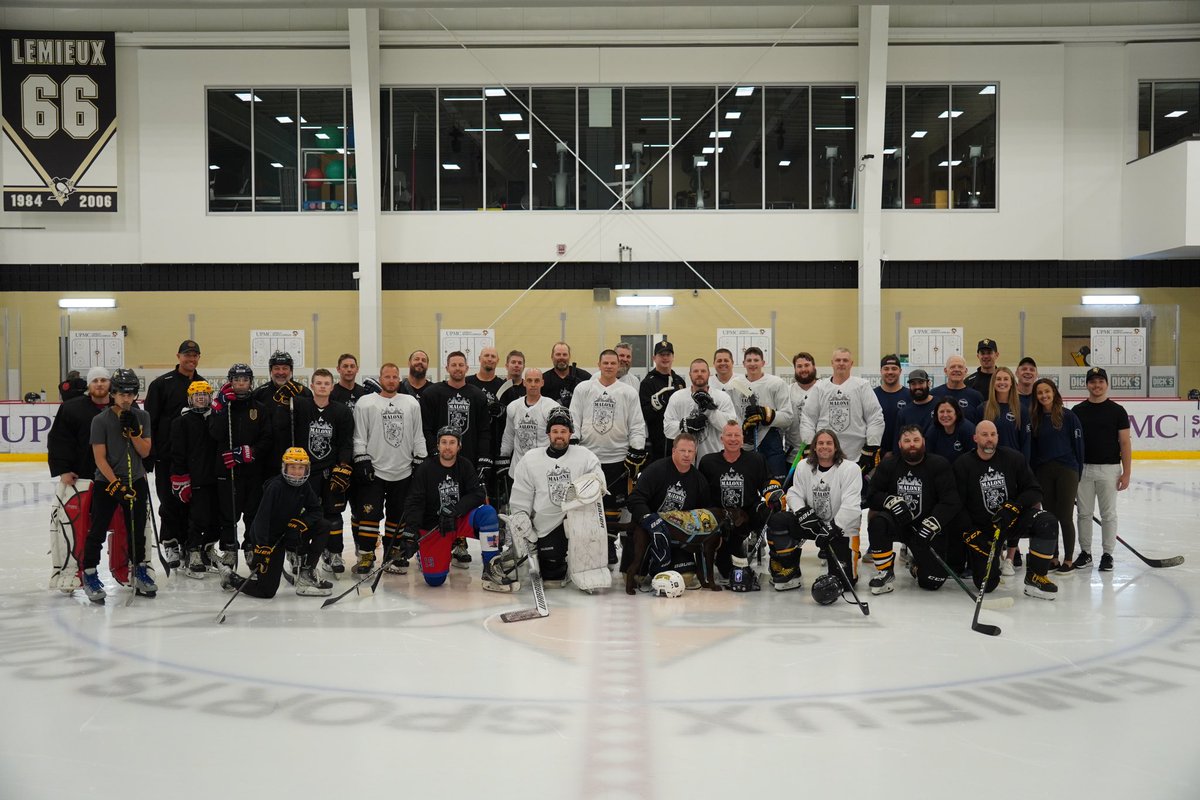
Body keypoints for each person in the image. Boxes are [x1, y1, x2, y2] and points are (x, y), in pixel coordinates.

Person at [487, 407, 608, 592]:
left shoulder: (585, 456)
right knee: (552, 576)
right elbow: (521, 495)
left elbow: (599, 481)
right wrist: (522, 518)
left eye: (563, 431)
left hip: (577, 520)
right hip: (546, 525)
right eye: (555, 431)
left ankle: (582, 566)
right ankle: (553, 561)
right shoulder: (531, 459)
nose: (559, 436)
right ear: (548, 433)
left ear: (571, 433)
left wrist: (589, 487)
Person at [952, 420, 1060, 600]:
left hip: (1010, 521)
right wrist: (971, 533)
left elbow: (1035, 490)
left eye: (993, 435)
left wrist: (1014, 507)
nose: (989, 439)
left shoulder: (1013, 458)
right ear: (975, 438)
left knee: (1046, 521)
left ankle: (1036, 577)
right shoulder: (963, 464)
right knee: (986, 585)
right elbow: (957, 504)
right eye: (985, 435)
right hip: (984, 531)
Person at [47, 367, 133, 592]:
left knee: (127, 522)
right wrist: (63, 469)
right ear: (89, 384)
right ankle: (71, 569)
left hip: (116, 478)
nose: (100, 384)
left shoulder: (123, 408)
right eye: (95, 380)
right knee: (73, 526)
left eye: (104, 380)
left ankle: (128, 566)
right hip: (82, 479)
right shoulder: (71, 408)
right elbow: (58, 440)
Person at [79, 369, 157, 603]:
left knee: (137, 529)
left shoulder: (142, 417)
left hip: (136, 481)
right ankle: (90, 572)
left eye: (130, 394)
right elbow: (99, 458)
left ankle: (139, 569)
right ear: (113, 394)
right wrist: (116, 485)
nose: (126, 398)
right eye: (121, 393)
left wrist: (134, 433)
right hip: (108, 483)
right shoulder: (100, 420)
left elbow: (144, 451)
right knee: (99, 528)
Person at [221, 448, 333, 598]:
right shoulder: (275, 487)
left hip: (290, 532)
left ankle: (307, 572)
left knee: (323, 526)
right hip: (271, 540)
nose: (296, 472)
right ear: (284, 467)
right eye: (292, 467)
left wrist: (300, 523)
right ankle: (231, 578)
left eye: (301, 468)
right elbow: (261, 520)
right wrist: (261, 548)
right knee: (266, 591)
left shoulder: (304, 486)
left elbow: (316, 510)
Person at [864, 425, 961, 595]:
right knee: (878, 522)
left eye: (916, 440)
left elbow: (951, 501)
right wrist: (890, 501)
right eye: (907, 441)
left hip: (925, 529)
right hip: (898, 524)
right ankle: (885, 571)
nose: (912, 444)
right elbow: (871, 495)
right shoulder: (888, 464)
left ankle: (916, 567)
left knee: (933, 581)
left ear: (923, 442)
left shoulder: (939, 464)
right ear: (900, 444)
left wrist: (933, 523)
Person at [571, 349, 648, 562]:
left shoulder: (628, 392)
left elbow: (637, 424)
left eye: (613, 363)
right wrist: (574, 441)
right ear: (598, 364)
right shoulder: (583, 388)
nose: (609, 366)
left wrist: (637, 448)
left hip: (617, 457)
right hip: (589, 457)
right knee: (588, 503)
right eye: (605, 362)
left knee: (613, 505)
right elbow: (574, 417)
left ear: (618, 366)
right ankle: (589, 547)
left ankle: (609, 547)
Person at [769, 428, 868, 592]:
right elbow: (794, 493)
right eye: (820, 443)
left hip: (840, 529)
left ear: (836, 447)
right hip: (813, 523)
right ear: (814, 447)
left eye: (829, 443)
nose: (824, 446)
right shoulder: (803, 466)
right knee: (778, 520)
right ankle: (790, 569)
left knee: (844, 584)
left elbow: (852, 506)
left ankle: (849, 562)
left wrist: (833, 527)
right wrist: (802, 512)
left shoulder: (850, 469)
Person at [278, 368, 355, 577]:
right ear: (312, 386)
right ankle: (298, 553)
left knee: (333, 514)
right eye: (318, 383)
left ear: (332, 386)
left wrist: (344, 465)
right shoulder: (301, 406)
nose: (322, 386)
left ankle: (334, 553)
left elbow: (346, 442)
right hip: (303, 471)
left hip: (330, 471)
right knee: (302, 514)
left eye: (326, 383)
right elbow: (282, 424)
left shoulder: (342, 411)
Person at [352, 363, 426, 575]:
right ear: (380, 378)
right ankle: (365, 555)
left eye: (395, 377)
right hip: (374, 469)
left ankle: (393, 553)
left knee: (398, 515)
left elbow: (417, 435)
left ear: (399, 378)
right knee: (370, 514)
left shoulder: (410, 403)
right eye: (387, 376)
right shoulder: (366, 403)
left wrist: (420, 459)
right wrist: (362, 459)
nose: (391, 380)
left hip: (403, 469)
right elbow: (359, 436)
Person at [421, 351, 492, 568]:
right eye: (454, 365)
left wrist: (483, 457)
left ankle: (460, 543)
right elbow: (427, 428)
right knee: (441, 496)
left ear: (467, 368)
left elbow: (484, 430)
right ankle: (433, 539)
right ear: (447, 367)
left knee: (463, 499)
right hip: (442, 458)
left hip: (466, 460)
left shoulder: (477, 395)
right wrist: (435, 452)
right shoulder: (433, 393)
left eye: (461, 365)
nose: (458, 368)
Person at [402, 427, 498, 587]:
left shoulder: (465, 465)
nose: (448, 447)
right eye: (444, 442)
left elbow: (478, 494)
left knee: (488, 514)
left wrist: (456, 510)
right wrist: (411, 532)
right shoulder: (425, 468)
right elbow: (414, 501)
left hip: (458, 519)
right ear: (438, 445)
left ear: (459, 446)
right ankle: (425, 554)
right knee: (435, 581)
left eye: (452, 442)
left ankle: (491, 568)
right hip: (434, 527)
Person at [144, 339, 205, 568]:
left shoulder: (203, 384)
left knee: (193, 503)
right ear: (178, 356)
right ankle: (170, 544)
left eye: (195, 355)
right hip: (167, 457)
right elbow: (150, 421)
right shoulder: (162, 384)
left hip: (195, 458)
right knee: (169, 502)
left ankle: (191, 545)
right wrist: (151, 455)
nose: (191, 359)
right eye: (187, 355)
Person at [208, 363, 272, 568]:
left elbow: (267, 438)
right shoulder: (223, 406)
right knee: (228, 514)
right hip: (228, 471)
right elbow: (215, 434)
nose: (240, 384)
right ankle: (228, 549)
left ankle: (251, 547)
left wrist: (249, 452)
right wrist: (219, 409)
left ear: (250, 382)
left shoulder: (259, 408)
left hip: (253, 471)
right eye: (236, 380)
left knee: (253, 512)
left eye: (244, 380)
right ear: (230, 382)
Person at [627, 432, 711, 584]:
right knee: (634, 578)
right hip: (648, 532)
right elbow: (634, 499)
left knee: (685, 578)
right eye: (682, 450)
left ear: (695, 453)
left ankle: (670, 564)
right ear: (673, 451)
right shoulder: (655, 470)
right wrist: (648, 518)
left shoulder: (699, 481)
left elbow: (702, 512)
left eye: (690, 451)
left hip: (677, 536)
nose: (686, 455)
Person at [1073, 367, 1131, 572]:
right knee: (1084, 514)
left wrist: (1126, 473)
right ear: (1087, 384)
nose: (1096, 385)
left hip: (1109, 470)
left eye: (1100, 381)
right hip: (1083, 470)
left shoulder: (1117, 411)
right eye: (1092, 381)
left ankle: (1107, 554)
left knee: (1108, 514)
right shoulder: (1077, 411)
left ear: (1106, 384)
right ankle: (1086, 552)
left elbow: (1124, 443)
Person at [698, 420, 769, 583]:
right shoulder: (708, 462)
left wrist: (773, 494)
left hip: (747, 514)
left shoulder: (756, 460)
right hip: (722, 520)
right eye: (729, 435)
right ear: (721, 439)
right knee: (727, 570)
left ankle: (778, 561)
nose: (733, 439)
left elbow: (767, 483)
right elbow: (702, 494)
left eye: (737, 435)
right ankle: (726, 554)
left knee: (770, 512)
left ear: (742, 439)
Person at [799, 347, 883, 475]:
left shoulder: (862, 386)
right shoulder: (820, 387)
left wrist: (872, 446)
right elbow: (808, 418)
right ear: (832, 363)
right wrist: (809, 445)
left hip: (856, 455)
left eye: (845, 360)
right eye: (838, 360)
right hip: (825, 456)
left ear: (851, 363)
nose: (841, 363)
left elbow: (875, 417)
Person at [1029, 378, 1084, 573]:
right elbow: (1033, 450)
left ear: (1054, 392)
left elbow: (1079, 447)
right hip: (1044, 472)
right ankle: (1053, 556)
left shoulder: (1068, 417)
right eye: (1039, 393)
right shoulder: (1034, 419)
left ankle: (1068, 558)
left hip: (1067, 470)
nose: (1044, 395)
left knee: (1065, 516)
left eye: (1047, 391)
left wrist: (1077, 473)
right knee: (1050, 516)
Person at [170, 380, 223, 578]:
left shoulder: (215, 418)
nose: (201, 397)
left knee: (216, 517)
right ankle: (193, 551)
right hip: (196, 478)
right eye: (197, 395)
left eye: (204, 394)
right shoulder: (181, 422)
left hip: (216, 477)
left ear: (210, 397)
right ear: (190, 399)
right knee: (198, 518)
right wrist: (181, 479)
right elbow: (177, 453)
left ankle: (208, 549)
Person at [728, 346, 794, 477]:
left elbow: (788, 418)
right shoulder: (734, 385)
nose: (752, 364)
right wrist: (743, 430)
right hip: (744, 442)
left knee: (774, 487)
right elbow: (732, 414)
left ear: (763, 363)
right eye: (749, 360)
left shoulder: (776, 383)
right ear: (743, 364)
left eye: (756, 360)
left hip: (770, 441)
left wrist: (766, 414)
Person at [664, 357, 737, 460]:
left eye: (703, 371)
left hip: (714, 458)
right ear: (690, 374)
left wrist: (710, 411)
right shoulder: (677, 397)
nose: (699, 374)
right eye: (695, 371)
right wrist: (686, 425)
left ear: (709, 374)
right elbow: (667, 428)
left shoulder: (722, 397)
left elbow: (730, 428)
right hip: (685, 460)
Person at [252, 351, 313, 473]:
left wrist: (297, 400)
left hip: (297, 461)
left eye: (285, 368)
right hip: (266, 460)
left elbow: (310, 424)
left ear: (291, 371)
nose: (281, 372)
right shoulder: (259, 393)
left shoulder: (304, 392)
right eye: (276, 368)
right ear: (270, 371)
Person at [467, 346, 509, 507]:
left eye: (493, 356)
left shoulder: (503, 385)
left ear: (497, 361)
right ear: (479, 359)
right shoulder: (468, 382)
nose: (489, 359)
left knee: (493, 491)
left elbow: (510, 416)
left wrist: (501, 412)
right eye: (486, 356)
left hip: (494, 446)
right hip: (471, 444)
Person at [499, 368, 560, 473]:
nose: (533, 384)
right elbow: (509, 435)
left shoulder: (552, 407)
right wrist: (503, 458)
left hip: (543, 468)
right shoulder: (513, 407)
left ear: (542, 383)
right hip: (518, 469)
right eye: (529, 380)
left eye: (536, 380)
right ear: (524, 382)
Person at [639, 340, 686, 462]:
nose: (665, 358)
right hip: (657, 441)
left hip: (678, 438)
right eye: (661, 355)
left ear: (673, 357)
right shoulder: (647, 383)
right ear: (654, 358)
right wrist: (657, 404)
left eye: (668, 354)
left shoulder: (680, 381)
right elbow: (644, 414)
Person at [979, 366, 1030, 462]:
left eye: (1006, 379)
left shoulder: (1021, 409)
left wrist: (1024, 466)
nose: (1002, 382)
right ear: (993, 383)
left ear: (1011, 383)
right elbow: (977, 440)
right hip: (989, 461)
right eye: (998, 379)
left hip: (1013, 462)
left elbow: (1026, 443)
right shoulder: (983, 409)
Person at [783, 351, 819, 468]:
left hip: (822, 455)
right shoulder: (787, 391)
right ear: (794, 369)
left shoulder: (824, 389)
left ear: (814, 367)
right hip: (794, 457)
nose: (803, 369)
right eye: (799, 366)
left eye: (807, 365)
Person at [874, 354, 910, 461]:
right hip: (877, 453)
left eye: (894, 369)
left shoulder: (910, 395)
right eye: (886, 369)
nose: (890, 372)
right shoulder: (872, 395)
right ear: (881, 371)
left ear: (900, 371)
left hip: (904, 453)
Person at [932, 354, 983, 423]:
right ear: (945, 371)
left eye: (960, 367)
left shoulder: (976, 396)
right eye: (952, 367)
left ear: (965, 371)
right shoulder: (934, 394)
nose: (956, 369)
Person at [924, 397, 976, 463]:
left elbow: (973, 458)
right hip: (940, 470)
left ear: (956, 413)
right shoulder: (932, 431)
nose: (945, 415)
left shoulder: (968, 429)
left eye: (949, 411)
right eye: (941, 412)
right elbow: (929, 457)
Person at [542, 341, 592, 408]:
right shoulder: (543, 380)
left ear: (569, 356)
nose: (561, 357)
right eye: (558, 354)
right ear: (552, 357)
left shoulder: (584, 377)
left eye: (564, 354)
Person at [894, 369, 936, 448]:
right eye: (913, 384)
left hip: (937, 457)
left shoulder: (940, 406)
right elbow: (898, 442)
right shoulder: (903, 413)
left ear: (929, 383)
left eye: (921, 383)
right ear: (909, 386)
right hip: (912, 457)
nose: (917, 387)